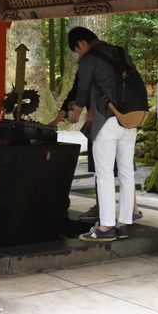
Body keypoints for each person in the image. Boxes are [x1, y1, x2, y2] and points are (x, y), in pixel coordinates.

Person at [68, 27, 138, 242]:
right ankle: (123, 223)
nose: (79, 55)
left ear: (81, 43)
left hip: (106, 120)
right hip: (130, 119)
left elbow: (83, 89)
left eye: (76, 51)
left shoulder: (89, 58)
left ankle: (106, 227)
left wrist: (76, 113)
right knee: (127, 172)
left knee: (105, 174)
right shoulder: (120, 52)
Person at [50, 75, 144, 225]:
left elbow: (78, 94)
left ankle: (117, 215)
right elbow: (74, 94)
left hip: (104, 121)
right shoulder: (110, 67)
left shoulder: (95, 67)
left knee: (107, 171)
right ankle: (123, 212)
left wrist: (77, 114)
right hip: (120, 121)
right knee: (121, 170)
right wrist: (59, 118)